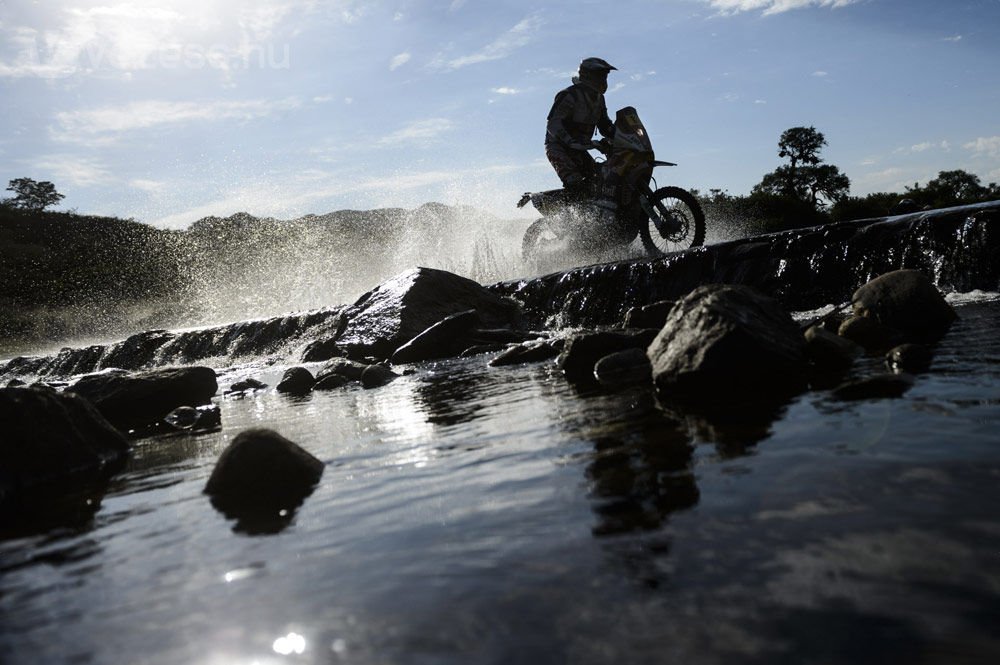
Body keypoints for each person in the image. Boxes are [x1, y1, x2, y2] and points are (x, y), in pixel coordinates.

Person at [545, 57, 617, 201]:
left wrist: (622, 136)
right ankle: (569, 221)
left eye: (605, 76)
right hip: (559, 147)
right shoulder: (569, 95)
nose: (603, 79)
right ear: (588, 75)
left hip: (580, 149)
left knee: (599, 180)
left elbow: (605, 126)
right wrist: (570, 141)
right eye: (600, 75)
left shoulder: (599, 99)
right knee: (576, 183)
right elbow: (553, 124)